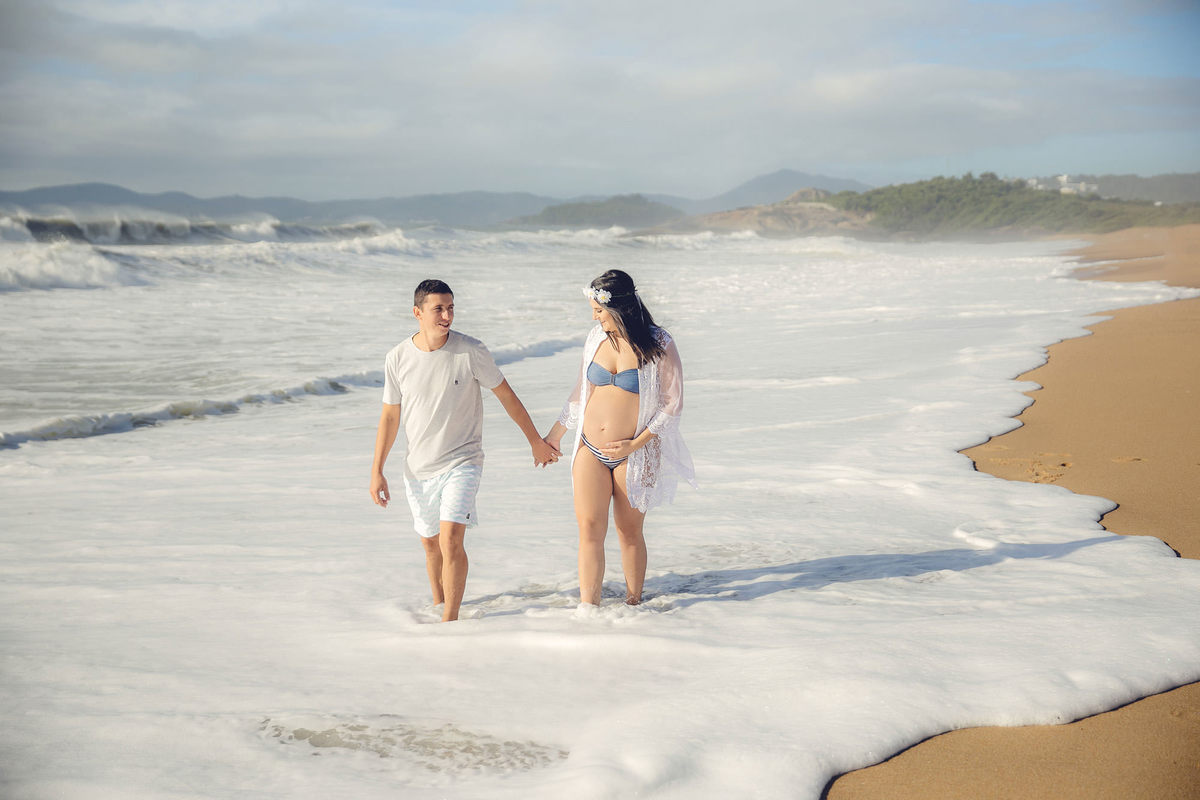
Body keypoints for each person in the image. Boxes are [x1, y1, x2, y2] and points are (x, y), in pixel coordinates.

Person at [370, 279, 561, 622]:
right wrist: (377, 470)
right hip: (418, 468)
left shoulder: (470, 351)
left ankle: (450, 621)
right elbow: (389, 415)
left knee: (451, 540)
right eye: (438, 309)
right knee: (430, 545)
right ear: (417, 313)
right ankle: (439, 603)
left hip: (463, 460)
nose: (447, 316)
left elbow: (506, 395)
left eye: (451, 308)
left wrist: (535, 440)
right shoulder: (397, 358)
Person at [543, 269, 695, 606]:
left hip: (636, 453)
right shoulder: (596, 338)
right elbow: (583, 390)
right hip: (590, 448)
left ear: (621, 307)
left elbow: (673, 404)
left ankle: (633, 603)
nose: (595, 318)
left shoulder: (659, 344)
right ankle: (588, 609)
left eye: (599, 310)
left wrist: (633, 445)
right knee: (589, 531)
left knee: (628, 533)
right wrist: (554, 436)